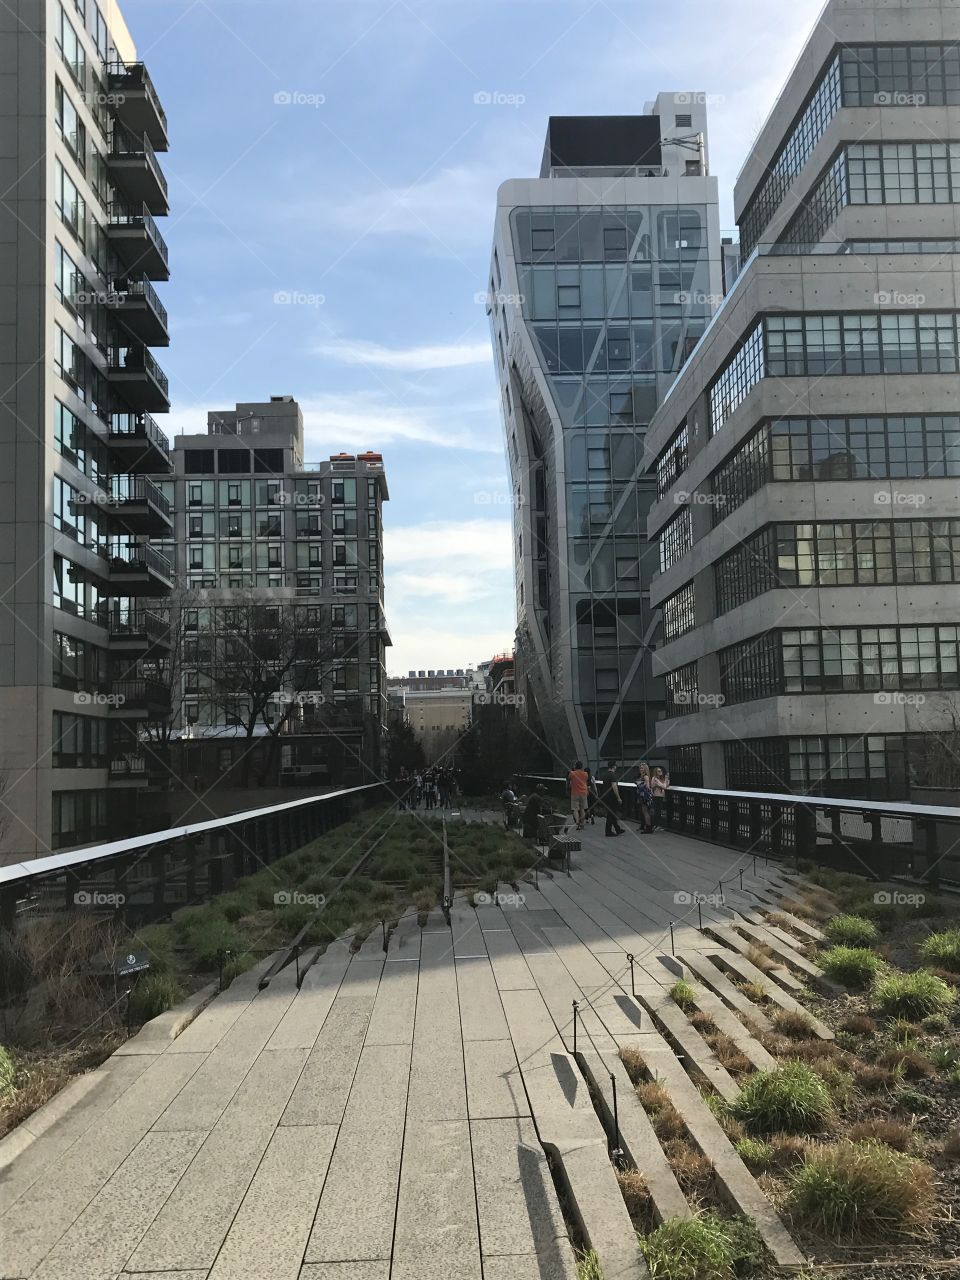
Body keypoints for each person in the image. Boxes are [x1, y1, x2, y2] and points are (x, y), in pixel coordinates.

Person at [598, 761, 624, 837]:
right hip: (611, 797)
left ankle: (617, 829)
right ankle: (608, 831)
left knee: (612, 813)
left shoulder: (605, 775)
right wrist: (618, 797)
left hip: (605, 796)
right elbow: (614, 787)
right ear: (614, 766)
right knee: (611, 813)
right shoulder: (612, 775)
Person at [567, 760, 589, 831]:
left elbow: (569, 779)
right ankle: (582, 823)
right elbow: (586, 780)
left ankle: (577, 821)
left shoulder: (572, 773)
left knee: (575, 809)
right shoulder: (585, 774)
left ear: (575, 766)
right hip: (583, 793)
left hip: (575, 793)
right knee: (582, 809)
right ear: (582, 766)